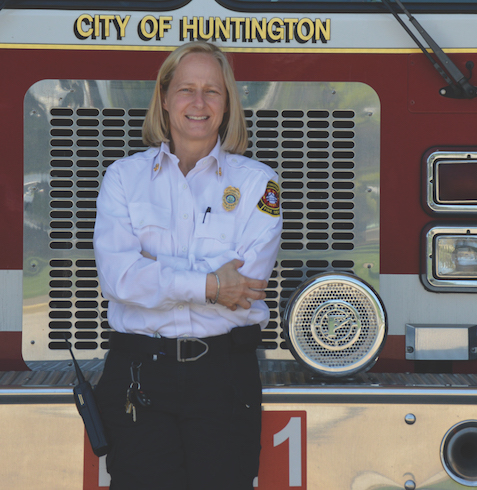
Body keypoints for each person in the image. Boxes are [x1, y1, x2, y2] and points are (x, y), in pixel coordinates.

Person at [93, 41, 282, 490]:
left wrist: (156, 273)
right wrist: (211, 285)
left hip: (225, 381)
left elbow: (247, 285)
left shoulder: (261, 184)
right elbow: (118, 279)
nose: (198, 103)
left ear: (227, 102)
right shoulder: (123, 178)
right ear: (163, 97)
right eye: (186, 89)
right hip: (137, 377)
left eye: (212, 91)